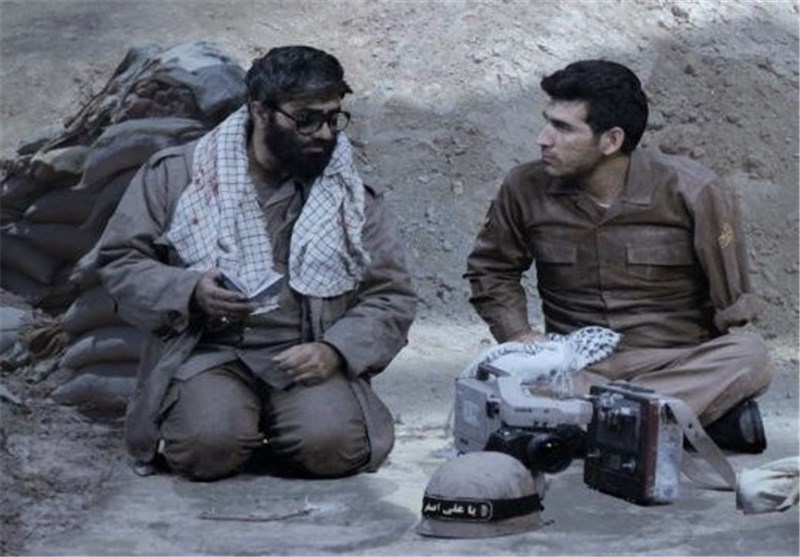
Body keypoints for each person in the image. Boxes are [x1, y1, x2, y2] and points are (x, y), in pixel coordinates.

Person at [96, 45, 417, 480]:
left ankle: (284, 430)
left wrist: (335, 351)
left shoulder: (351, 195)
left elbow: (391, 294)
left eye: (332, 118)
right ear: (260, 111)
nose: (324, 133)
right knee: (208, 447)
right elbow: (120, 262)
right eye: (305, 119)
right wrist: (190, 291)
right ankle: (238, 428)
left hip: (304, 352)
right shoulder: (177, 176)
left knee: (335, 447)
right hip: (207, 351)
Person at [464, 59, 773, 453]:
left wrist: (709, 361)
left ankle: (589, 424)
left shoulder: (693, 190)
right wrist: (521, 338)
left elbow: (733, 307)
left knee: (751, 355)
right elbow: (491, 269)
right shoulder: (524, 187)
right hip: (576, 367)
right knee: (494, 379)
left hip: (674, 362)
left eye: (562, 128)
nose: (543, 139)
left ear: (611, 140)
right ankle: (678, 420)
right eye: (547, 123)